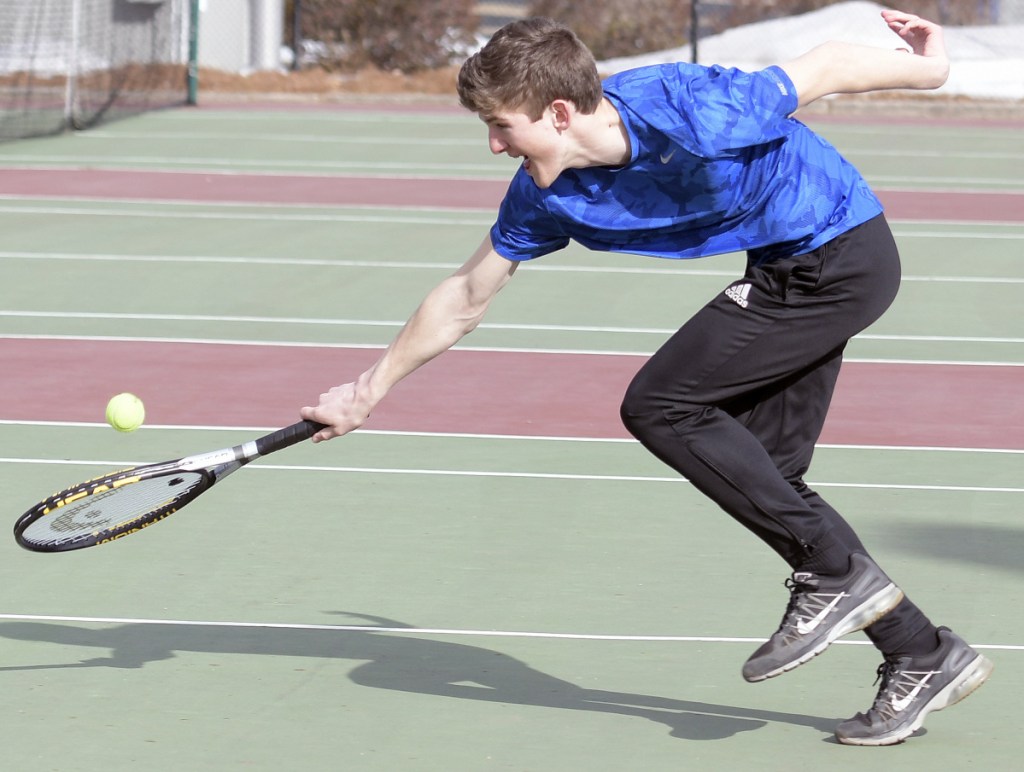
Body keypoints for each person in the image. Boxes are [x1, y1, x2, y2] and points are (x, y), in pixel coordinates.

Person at [301, 8, 992, 746]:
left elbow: (823, 68)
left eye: (502, 125)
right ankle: (923, 655)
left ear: (559, 111)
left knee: (662, 406)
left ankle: (837, 581)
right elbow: (468, 294)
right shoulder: (547, 193)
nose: (494, 144)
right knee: (766, 478)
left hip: (838, 256)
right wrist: (367, 390)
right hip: (785, 268)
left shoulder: (689, 106)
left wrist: (931, 67)